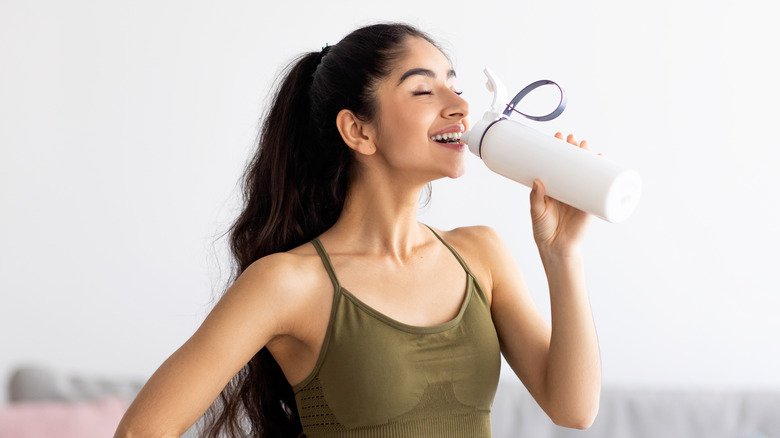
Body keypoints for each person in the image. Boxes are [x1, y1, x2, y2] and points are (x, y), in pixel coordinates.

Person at [114, 22, 601, 438]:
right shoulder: (287, 283)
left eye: (455, 85)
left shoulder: (481, 255)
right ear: (359, 131)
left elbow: (573, 409)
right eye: (423, 89)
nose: (458, 104)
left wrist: (563, 255)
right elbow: (140, 431)